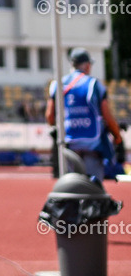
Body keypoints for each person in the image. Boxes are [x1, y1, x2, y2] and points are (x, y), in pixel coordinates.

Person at [46, 48, 122, 182]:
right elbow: (107, 116)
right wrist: (117, 136)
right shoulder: (94, 84)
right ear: (87, 65)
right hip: (92, 144)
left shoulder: (58, 84)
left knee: (73, 186)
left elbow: (50, 117)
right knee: (93, 187)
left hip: (68, 143)